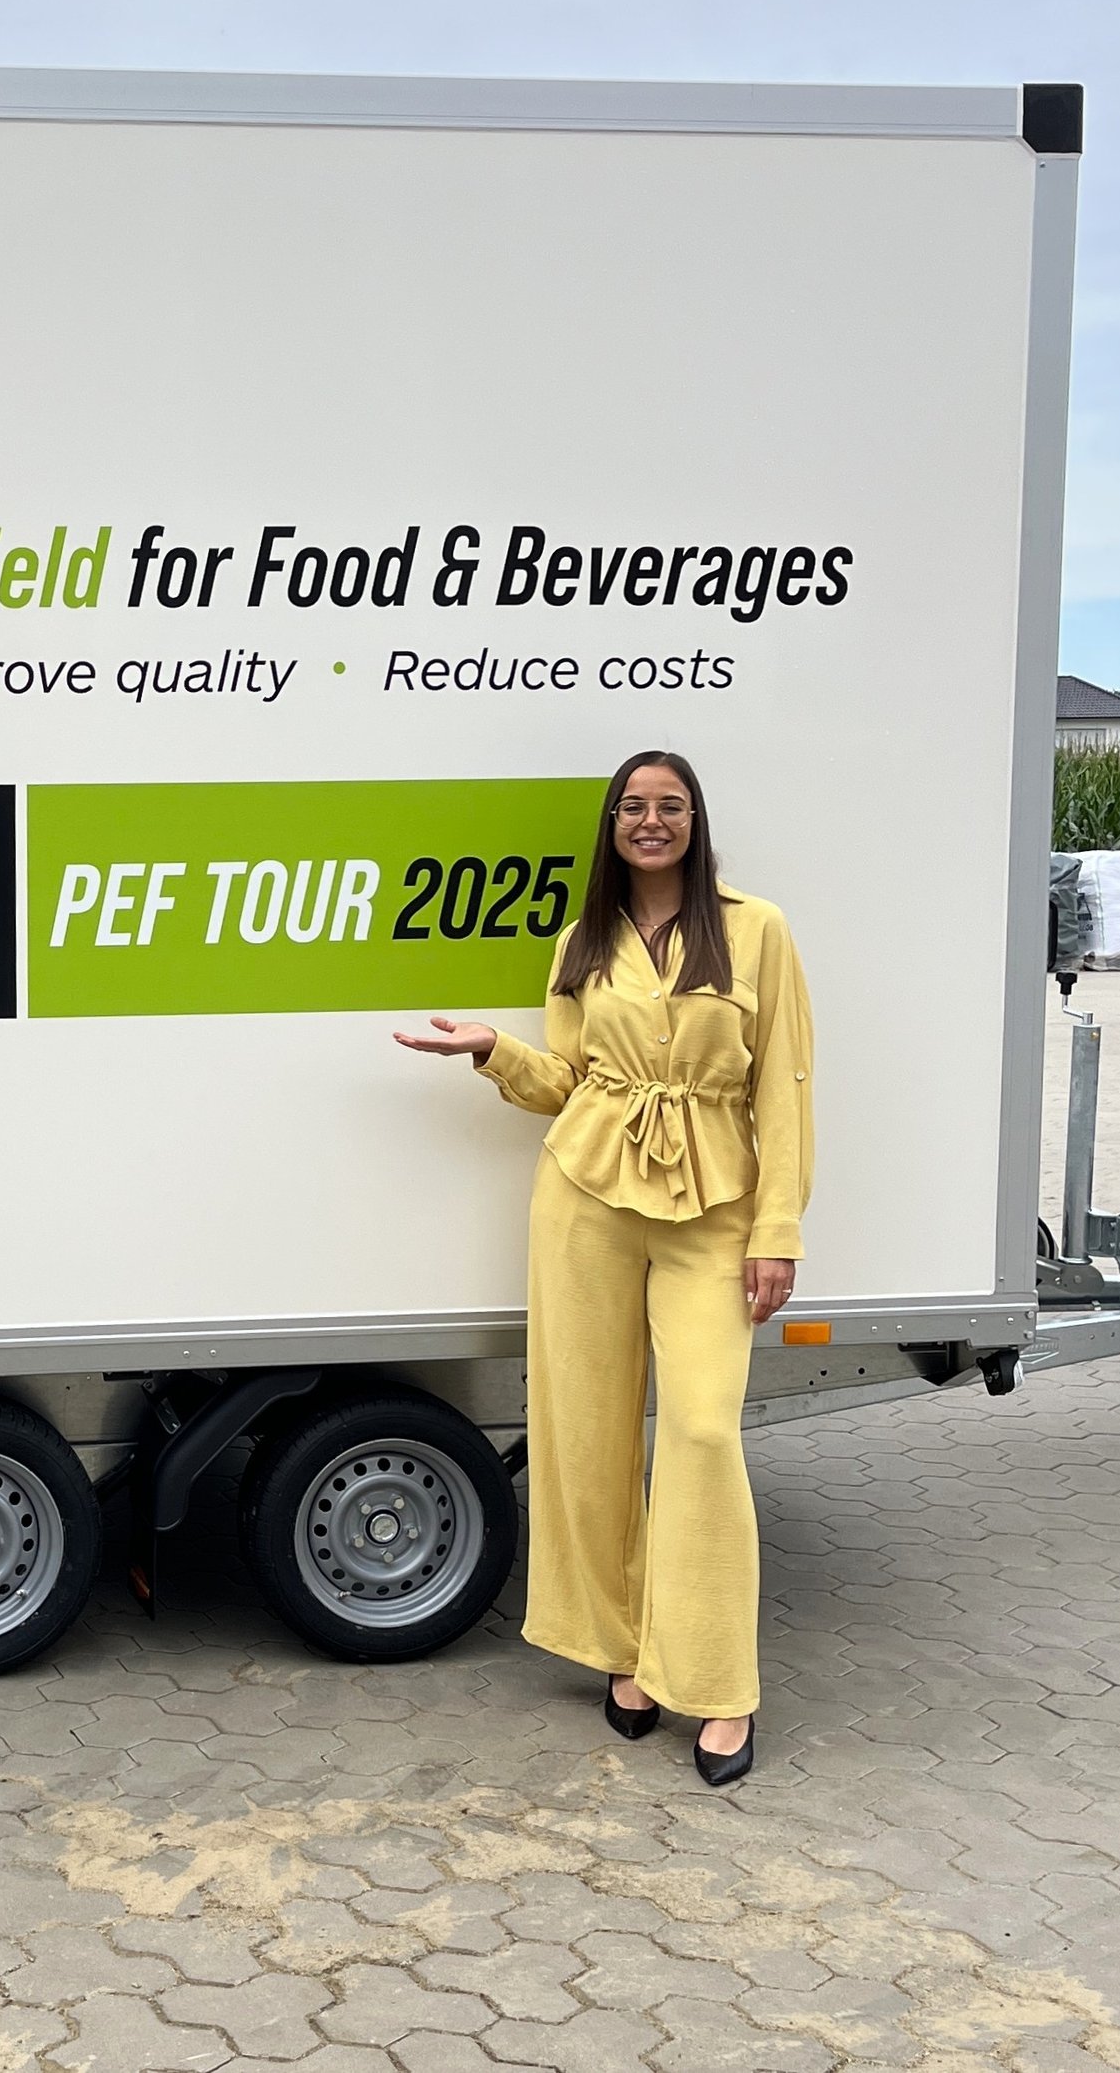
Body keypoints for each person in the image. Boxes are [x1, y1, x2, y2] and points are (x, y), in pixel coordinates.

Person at [394, 751, 810, 1787]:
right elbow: (566, 1082)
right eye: (633, 806)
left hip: (713, 1213)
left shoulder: (754, 927)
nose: (650, 821)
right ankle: (624, 1653)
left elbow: (785, 1091)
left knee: (705, 1431)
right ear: (612, 825)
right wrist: (492, 1049)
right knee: (585, 1432)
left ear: (694, 819)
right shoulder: (582, 937)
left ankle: (718, 1685)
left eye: (669, 805)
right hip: (584, 1200)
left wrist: (778, 1230)